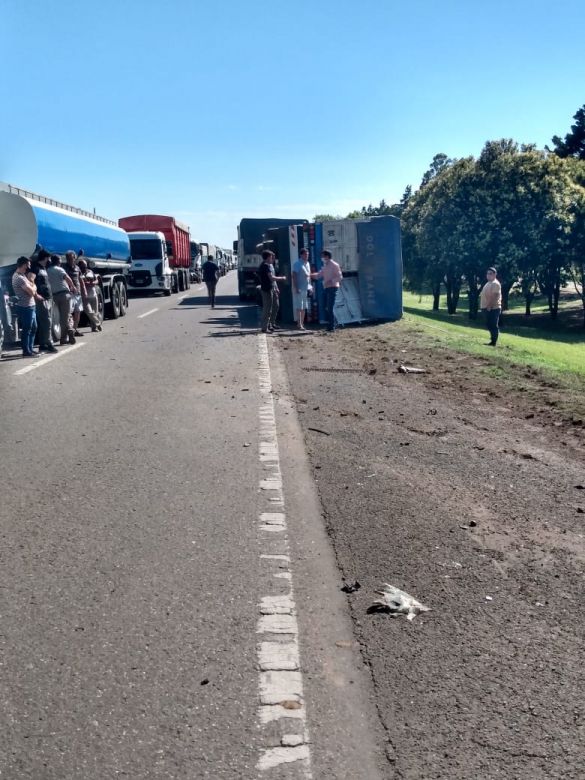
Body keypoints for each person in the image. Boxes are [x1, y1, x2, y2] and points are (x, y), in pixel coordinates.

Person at [11, 256, 43, 357]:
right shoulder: (19, 277)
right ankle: (26, 351)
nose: (29, 267)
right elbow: (31, 291)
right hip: (25, 307)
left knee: (33, 328)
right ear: (24, 264)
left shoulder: (22, 275)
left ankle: (30, 348)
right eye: (28, 264)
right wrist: (33, 282)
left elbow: (31, 289)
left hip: (30, 306)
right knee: (27, 329)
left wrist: (32, 286)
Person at [31, 249, 57, 353]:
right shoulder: (35, 268)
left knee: (46, 322)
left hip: (48, 298)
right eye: (49, 257)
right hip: (42, 299)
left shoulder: (43, 268)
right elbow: (30, 280)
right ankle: (48, 343)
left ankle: (43, 345)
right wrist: (36, 294)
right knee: (47, 322)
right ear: (45, 257)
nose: (50, 259)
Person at [311, 249, 343, 332]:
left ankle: (331, 326)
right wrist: (310, 275)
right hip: (327, 288)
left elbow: (340, 277)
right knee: (327, 307)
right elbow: (319, 275)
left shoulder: (334, 265)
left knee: (329, 307)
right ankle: (334, 324)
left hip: (333, 287)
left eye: (323, 256)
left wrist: (331, 281)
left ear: (327, 256)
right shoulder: (326, 265)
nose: (321, 257)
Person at [47, 254, 76, 344]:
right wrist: (73, 287)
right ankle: (67, 333)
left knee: (59, 317)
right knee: (66, 316)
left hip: (54, 296)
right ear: (58, 261)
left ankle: (64, 338)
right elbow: (67, 278)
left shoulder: (47, 270)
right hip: (64, 295)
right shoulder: (60, 269)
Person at [258, 250, 285, 333]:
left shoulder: (269, 266)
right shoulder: (265, 266)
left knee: (275, 306)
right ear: (267, 257)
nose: (272, 258)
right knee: (267, 309)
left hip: (271, 288)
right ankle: (264, 327)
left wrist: (276, 287)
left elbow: (272, 279)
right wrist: (282, 278)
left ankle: (271, 323)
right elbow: (271, 278)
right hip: (267, 289)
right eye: (270, 257)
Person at [480, 267, 502, 346]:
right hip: (486, 307)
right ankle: (492, 339)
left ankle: (493, 341)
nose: (488, 275)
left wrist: (489, 305)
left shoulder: (495, 283)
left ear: (495, 274)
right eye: (487, 273)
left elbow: (495, 296)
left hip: (493, 308)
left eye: (490, 274)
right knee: (489, 324)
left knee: (493, 324)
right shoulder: (488, 283)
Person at [78, 258, 102, 332]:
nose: (84, 267)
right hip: (84, 295)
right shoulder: (78, 273)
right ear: (80, 266)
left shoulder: (90, 271)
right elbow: (78, 282)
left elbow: (97, 279)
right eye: (82, 266)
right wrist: (85, 284)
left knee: (95, 311)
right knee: (89, 311)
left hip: (93, 294)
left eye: (85, 265)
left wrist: (94, 283)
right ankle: (98, 323)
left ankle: (94, 328)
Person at [64, 250, 85, 337]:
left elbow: (81, 280)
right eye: (68, 258)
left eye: (71, 258)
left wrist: (84, 290)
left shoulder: (77, 268)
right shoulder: (64, 268)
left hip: (78, 293)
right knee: (69, 313)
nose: (70, 260)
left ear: (74, 258)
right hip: (69, 293)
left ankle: (75, 329)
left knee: (78, 312)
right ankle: (70, 330)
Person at [292, 248, 311, 330]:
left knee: (304, 306)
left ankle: (301, 323)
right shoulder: (297, 264)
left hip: (305, 287)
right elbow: (294, 276)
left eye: (307, 254)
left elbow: (308, 277)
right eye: (305, 254)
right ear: (301, 255)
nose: (307, 256)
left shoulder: (307, 263)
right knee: (299, 306)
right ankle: (299, 323)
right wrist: (296, 287)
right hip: (299, 288)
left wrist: (310, 287)